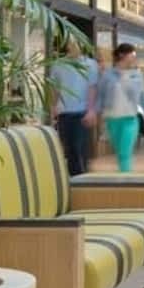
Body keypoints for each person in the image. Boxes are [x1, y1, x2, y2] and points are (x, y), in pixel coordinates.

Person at [94, 43, 144, 173]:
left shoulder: (137, 75)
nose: (134, 58)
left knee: (125, 152)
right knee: (120, 153)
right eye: (132, 55)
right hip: (112, 119)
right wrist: (94, 113)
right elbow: (100, 96)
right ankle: (123, 176)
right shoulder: (107, 75)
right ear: (122, 55)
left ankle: (126, 178)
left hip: (131, 119)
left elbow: (143, 97)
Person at [49, 37, 97, 180]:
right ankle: (76, 178)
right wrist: (53, 107)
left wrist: (91, 110)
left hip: (82, 111)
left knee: (77, 147)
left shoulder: (90, 64)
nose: (74, 45)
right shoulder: (58, 64)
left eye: (76, 42)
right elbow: (54, 88)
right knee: (69, 148)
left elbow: (92, 88)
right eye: (71, 42)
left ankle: (79, 178)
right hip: (64, 112)